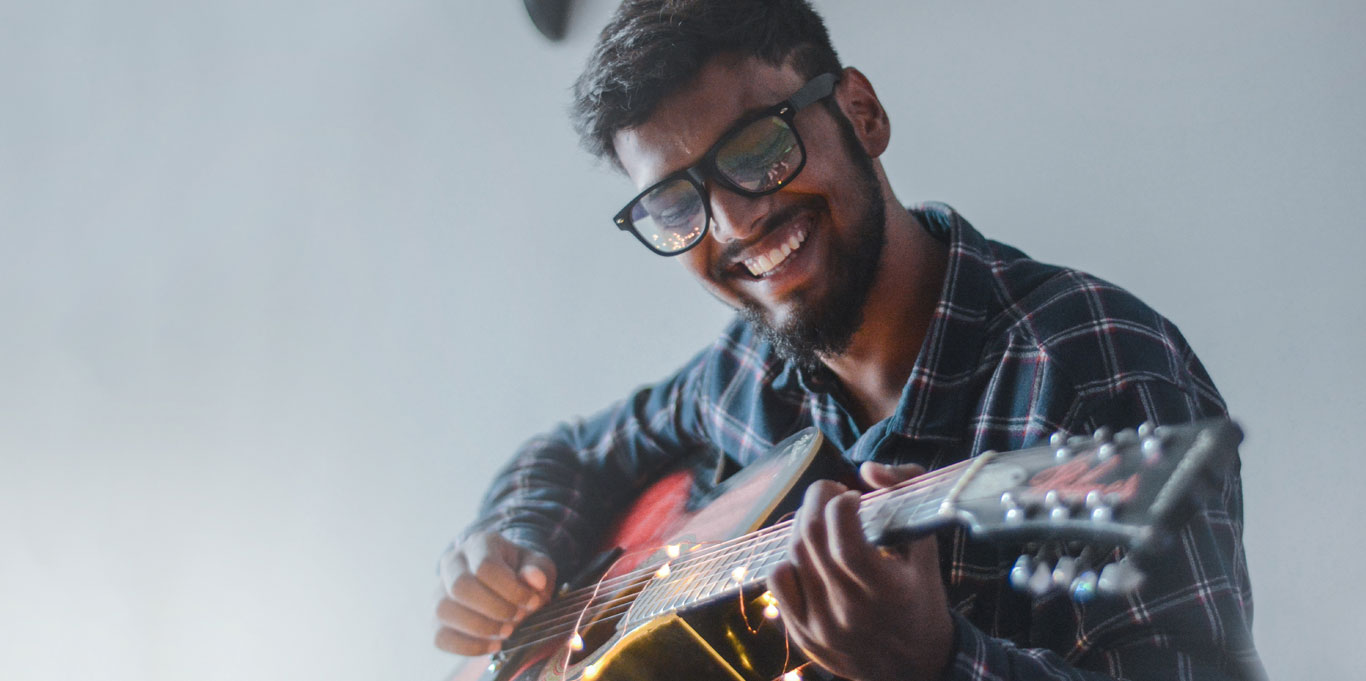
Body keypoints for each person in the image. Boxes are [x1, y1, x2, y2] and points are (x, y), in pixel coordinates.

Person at [434, 1, 1262, 679]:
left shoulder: (1095, 368)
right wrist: (513, 541)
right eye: (677, 205)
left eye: (757, 147)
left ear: (861, 114)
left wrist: (935, 664)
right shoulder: (748, 370)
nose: (732, 223)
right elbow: (573, 451)